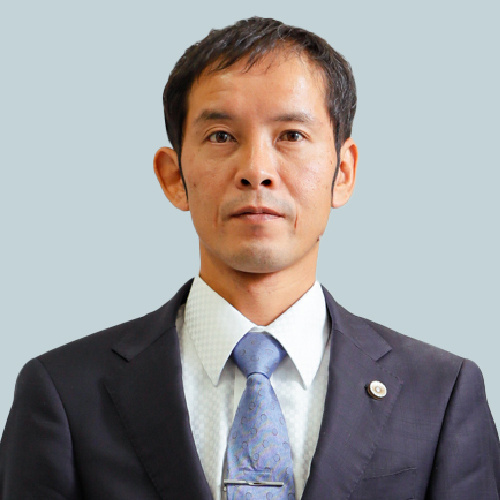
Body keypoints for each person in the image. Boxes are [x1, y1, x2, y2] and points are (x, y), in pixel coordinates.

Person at [0, 16, 498, 500]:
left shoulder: (440, 394)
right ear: (174, 176)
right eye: (221, 136)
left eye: (291, 135)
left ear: (343, 172)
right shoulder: (64, 392)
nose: (256, 170)